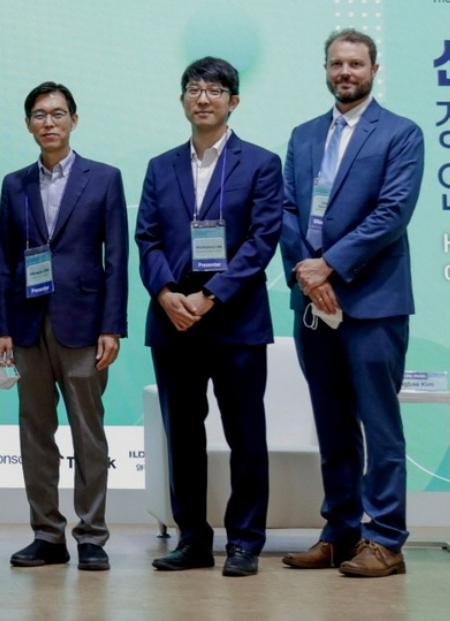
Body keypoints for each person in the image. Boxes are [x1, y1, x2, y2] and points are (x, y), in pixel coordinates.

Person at [281, 29, 424, 578]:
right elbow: (286, 210)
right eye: (337, 63)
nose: (346, 72)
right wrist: (306, 271)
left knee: (380, 426)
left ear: (374, 69)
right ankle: (340, 533)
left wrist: (331, 265)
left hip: (373, 302)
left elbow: (393, 212)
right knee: (333, 425)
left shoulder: (401, 134)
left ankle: (385, 539)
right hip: (314, 304)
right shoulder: (303, 135)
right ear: (325, 68)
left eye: (356, 64)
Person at [135, 57, 282, 577]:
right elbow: (147, 238)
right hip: (174, 321)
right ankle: (193, 539)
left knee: (246, 436)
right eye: (194, 89)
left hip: (236, 321)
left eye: (215, 90)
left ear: (233, 101)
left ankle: (245, 541)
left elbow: (262, 240)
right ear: (182, 100)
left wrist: (211, 295)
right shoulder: (161, 166)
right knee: (183, 436)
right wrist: (166, 295)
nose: (203, 98)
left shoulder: (261, 163)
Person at [0, 82, 128, 572]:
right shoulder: (14, 184)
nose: (48, 122)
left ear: (74, 119)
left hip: (85, 325)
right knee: (35, 433)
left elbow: (117, 257)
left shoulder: (104, 178)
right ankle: (47, 534)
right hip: (27, 326)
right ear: (28, 124)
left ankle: (91, 536)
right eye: (39, 115)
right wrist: (2, 327)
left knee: (88, 434)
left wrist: (112, 326)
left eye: (57, 113)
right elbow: (5, 260)